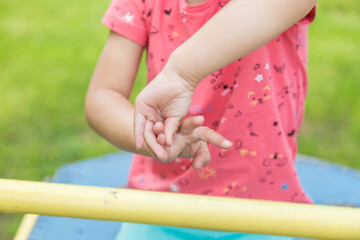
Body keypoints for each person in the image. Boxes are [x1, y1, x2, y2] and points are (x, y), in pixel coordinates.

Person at [85, 0, 317, 239]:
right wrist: (153, 137)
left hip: (265, 212)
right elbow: (103, 96)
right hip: (159, 208)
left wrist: (181, 74)